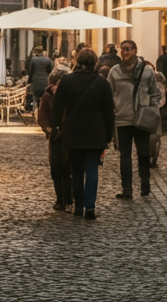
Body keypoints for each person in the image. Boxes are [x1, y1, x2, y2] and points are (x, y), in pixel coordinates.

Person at [51, 48, 115, 220]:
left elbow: (57, 107)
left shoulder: (67, 81)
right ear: (94, 63)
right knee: (92, 170)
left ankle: (78, 206)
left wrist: (56, 127)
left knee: (77, 170)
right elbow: (109, 112)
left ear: (77, 61)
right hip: (96, 132)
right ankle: (90, 207)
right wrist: (108, 135)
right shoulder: (102, 83)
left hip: (73, 131)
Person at [107, 40, 160, 198]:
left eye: (128, 49)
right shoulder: (115, 72)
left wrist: (151, 108)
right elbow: (109, 93)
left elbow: (155, 93)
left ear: (135, 51)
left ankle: (145, 184)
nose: (125, 52)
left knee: (143, 153)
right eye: (122, 49)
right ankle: (127, 189)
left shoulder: (147, 71)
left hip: (142, 119)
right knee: (125, 155)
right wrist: (113, 108)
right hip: (122, 119)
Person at [36, 67, 72, 210]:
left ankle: (68, 199)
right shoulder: (48, 96)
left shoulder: (71, 95)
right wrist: (49, 129)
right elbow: (42, 117)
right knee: (56, 169)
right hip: (56, 137)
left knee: (68, 168)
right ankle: (60, 198)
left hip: (69, 136)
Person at [25, 46, 55, 111]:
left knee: (36, 98)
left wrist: (29, 81)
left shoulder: (33, 60)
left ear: (35, 52)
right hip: (45, 82)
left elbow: (31, 72)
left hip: (36, 82)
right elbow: (51, 71)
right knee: (44, 97)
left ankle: (37, 111)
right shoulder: (48, 60)